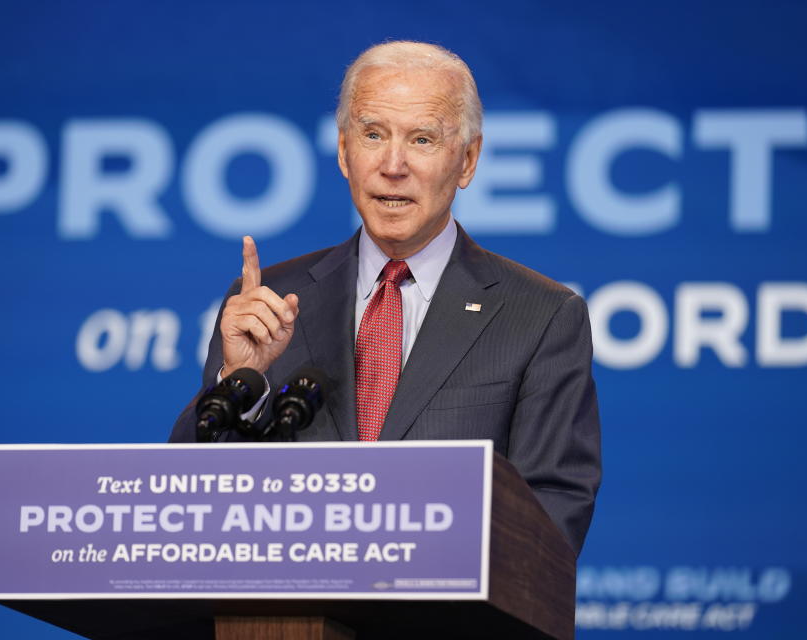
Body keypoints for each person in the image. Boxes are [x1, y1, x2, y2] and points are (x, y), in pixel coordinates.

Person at [170, 41, 601, 554]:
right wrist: (242, 380)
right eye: (373, 135)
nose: (392, 165)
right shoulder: (270, 302)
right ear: (343, 152)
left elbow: (552, 515)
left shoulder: (540, 316)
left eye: (421, 140)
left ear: (467, 160)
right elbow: (191, 497)